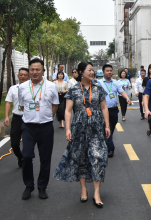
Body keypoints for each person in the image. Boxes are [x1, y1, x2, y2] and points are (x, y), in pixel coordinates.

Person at [54, 61, 111, 209]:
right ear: (81, 72)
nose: (92, 73)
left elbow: (104, 107)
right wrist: (67, 129)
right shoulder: (73, 90)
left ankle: (97, 193)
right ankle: (83, 189)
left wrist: (107, 125)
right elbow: (67, 110)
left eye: (93, 70)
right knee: (82, 158)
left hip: (97, 128)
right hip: (79, 128)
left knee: (98, 157)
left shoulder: (98, 88)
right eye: (89, 70)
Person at [18, 58, 59, 200]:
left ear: (43, 71)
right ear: (29, 71)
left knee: (45, 159)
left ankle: (42, 187)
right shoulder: (22, 87)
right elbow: (23, 106)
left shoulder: (51, 86)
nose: (34, 72)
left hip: (46, 127)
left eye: (37, 69)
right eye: (32, 69)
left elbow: (55, 105)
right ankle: (29, 185)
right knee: (26, 156)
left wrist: (47, 116)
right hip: (28, 127)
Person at [98, 64, 131, 157]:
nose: (109, 72)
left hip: (114, 110)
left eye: (111, 70)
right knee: (106, 127)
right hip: (103, 110)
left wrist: (127, 98)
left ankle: (106, 142)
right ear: (103, 72)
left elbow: (122, 91)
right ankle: (110, 148)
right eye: (107, 70)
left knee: (111, 129)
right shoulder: (99, 83)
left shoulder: (116, 83)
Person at [4, 67, 30, 168]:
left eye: (25, 75)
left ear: (28, 76)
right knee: (14, 144)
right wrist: (6, 117)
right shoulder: (13, 89)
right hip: (17, 118)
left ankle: (26, 159)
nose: (23, 76)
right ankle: (20, 156)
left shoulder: (31, 88)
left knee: (28, 143)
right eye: (21, 75)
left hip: (28, 119)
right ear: (18, 76)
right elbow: (8, 103)